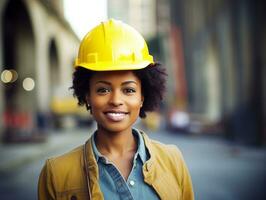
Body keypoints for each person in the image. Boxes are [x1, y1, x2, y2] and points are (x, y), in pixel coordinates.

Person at [38, 19, 194, 200]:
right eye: (103, 90)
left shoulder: (173, 160)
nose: (116, 101)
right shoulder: (56, 174)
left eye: (129, 90)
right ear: (88, 96)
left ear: (142, 97)